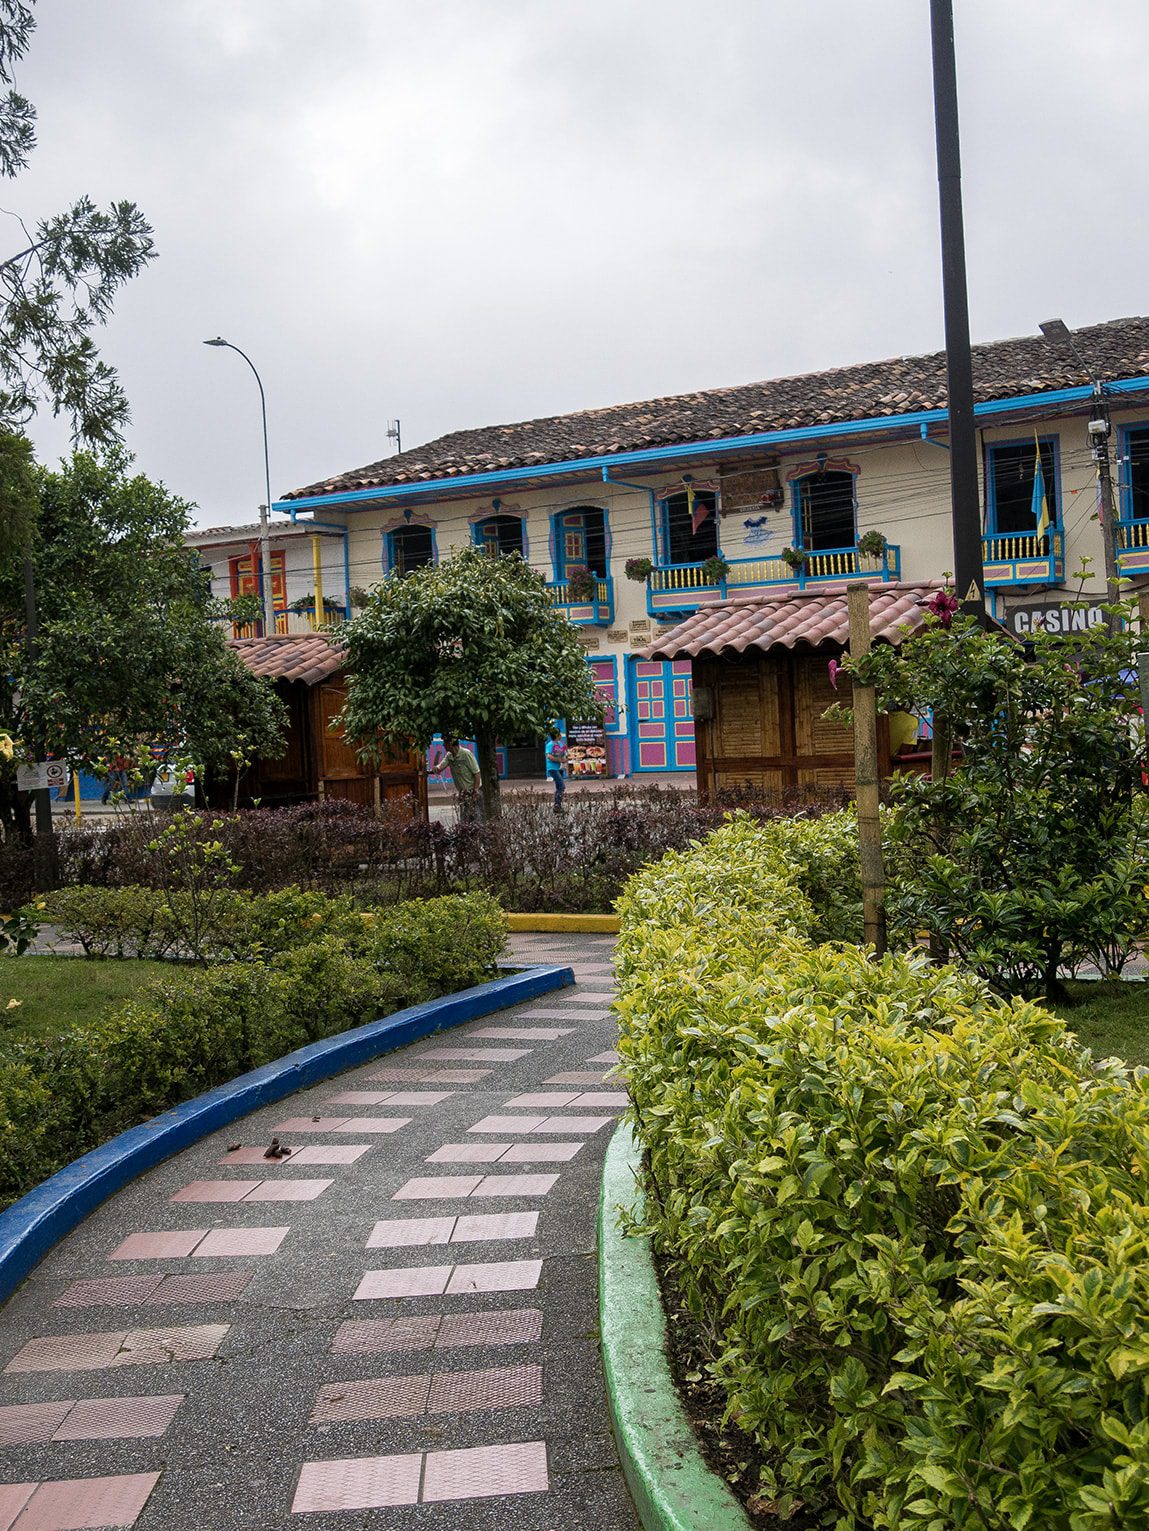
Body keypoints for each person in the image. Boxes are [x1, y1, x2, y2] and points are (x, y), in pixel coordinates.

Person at [439, 734, 482, 822]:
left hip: (473, 791)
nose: (443, 745)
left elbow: (477, 772)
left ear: (450, 744)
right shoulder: (449, 756)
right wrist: (436, 768)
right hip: (463, 793)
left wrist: (476, 790)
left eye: (445, 743)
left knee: (477, 819)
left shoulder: (466, 754)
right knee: (465, 820)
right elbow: (441, 767)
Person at [545, 728, 566, 813]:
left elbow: (564, 754)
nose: (561, 735)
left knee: (558, 786)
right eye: (559, 734)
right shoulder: (550, 745)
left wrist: (564, 759)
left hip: (560, 768)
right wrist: (559, 760)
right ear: (556, 735)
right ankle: (557, 805)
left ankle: (558, 806)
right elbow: (549, 756)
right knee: (561, 786)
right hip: (552, 768)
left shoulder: (561, 744)